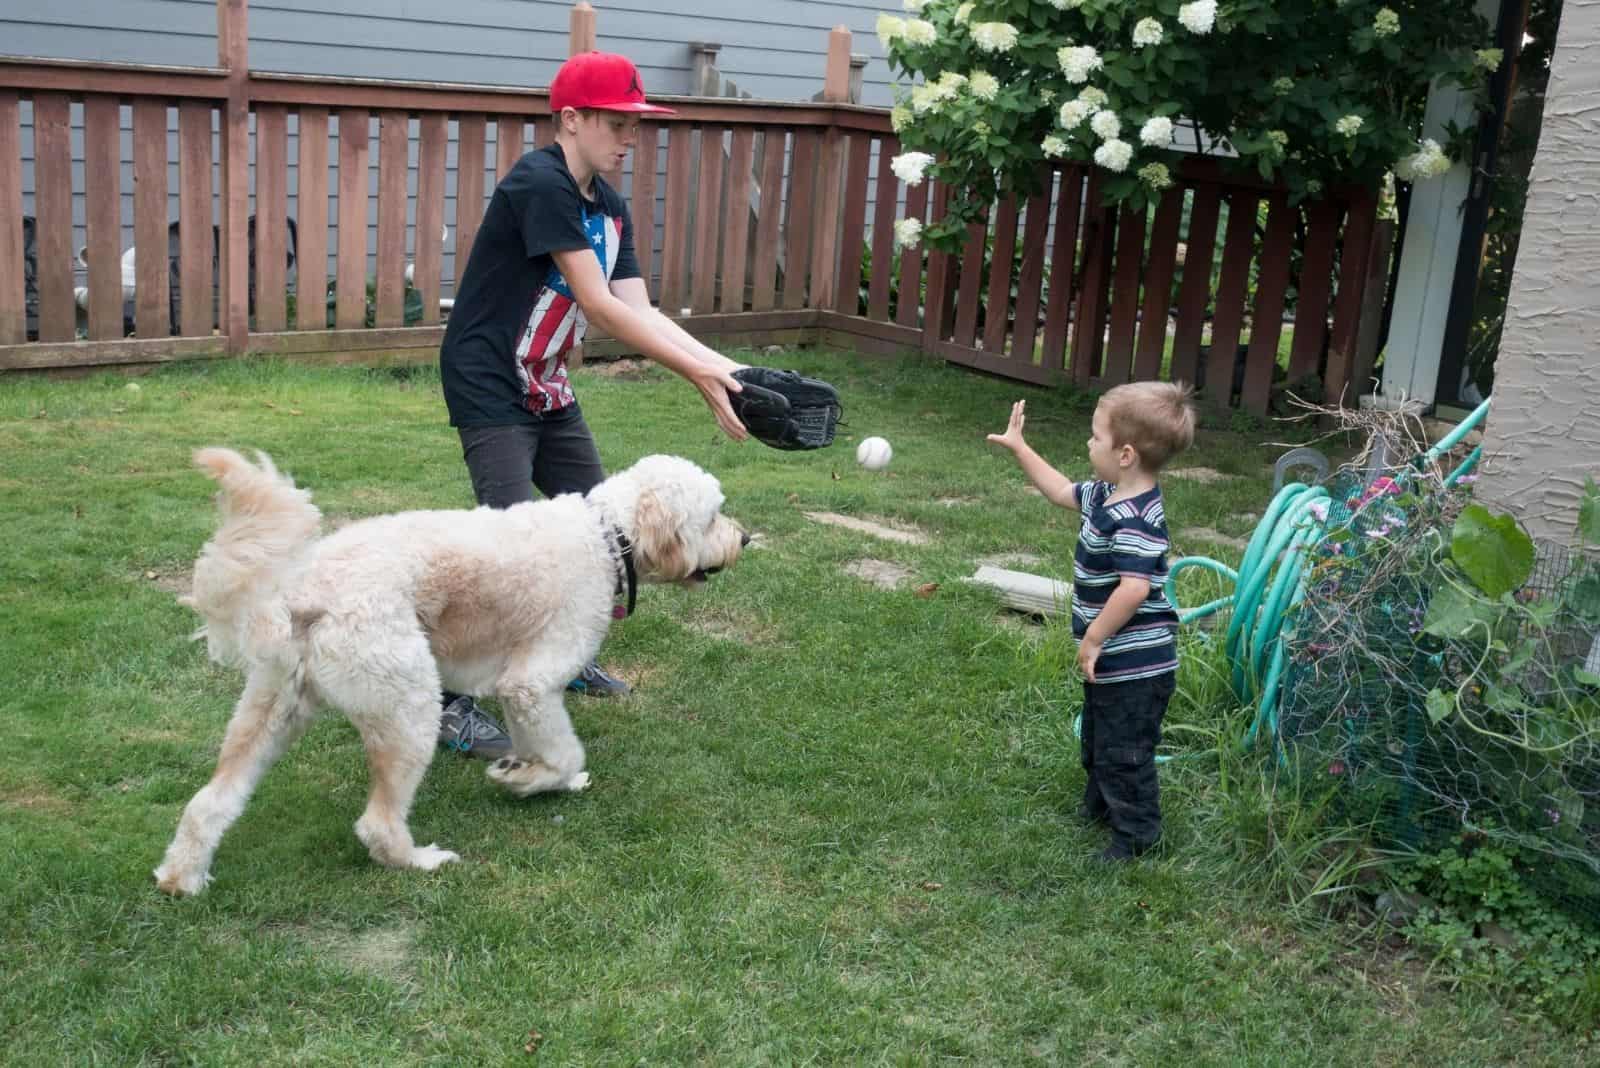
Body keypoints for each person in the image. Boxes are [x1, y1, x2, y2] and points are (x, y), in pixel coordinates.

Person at [436, 50, 749, 760]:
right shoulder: (539, 183)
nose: (628, 138)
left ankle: (562, 659)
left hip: (545, 381)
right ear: (571, 120)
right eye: (616, 122)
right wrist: (701, 376)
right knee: (506, 553)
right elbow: (601, 306)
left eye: (635, 123)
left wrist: (734, 370)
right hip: (489, 380)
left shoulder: (607, 204)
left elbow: (644, 309)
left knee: (604, 533)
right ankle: (446, 701)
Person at [987, 382, 1197, 861]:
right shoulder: (1106, 495)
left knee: (1126, 751)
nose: (1088, 444)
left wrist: (1095, 637)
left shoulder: (1137, 518)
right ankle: (1102, 804)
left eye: (1095, 437)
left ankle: (1138, 834)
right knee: (1101, 738)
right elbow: (1061, 490)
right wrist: (1021, 448)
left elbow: (1135, 588)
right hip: (1114, 661)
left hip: (1136, 665)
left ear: (1125, 454)